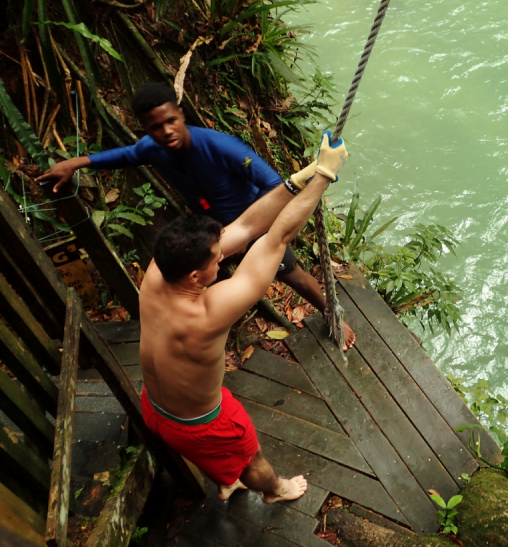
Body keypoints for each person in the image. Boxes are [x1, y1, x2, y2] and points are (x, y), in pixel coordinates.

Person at [37, 83, 356, 349]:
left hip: (252, 225)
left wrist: (316, 177)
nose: (166, 132)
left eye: (170, 121)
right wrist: (77, 163)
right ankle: (213, 338)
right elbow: (125, 156)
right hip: (212, 233)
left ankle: (334, 317)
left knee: (292, 274)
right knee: (198, 283)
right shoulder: (151, 148)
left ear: (180, 114)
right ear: (146, 129)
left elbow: (273, 184)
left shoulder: (221, 147)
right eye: (155, 127)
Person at [139, 132, 348, 503]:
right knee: (253, 460)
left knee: (215, 458)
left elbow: (246, 228)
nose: (222, 258)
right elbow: (276, 238)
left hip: (155, 408)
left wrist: (295, 182)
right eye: (216, 259)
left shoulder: (158, 271)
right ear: (195, 277)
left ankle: (225, 478)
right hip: (203, 425)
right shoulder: (207, 313)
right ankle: (275, 491)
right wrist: (325, 178)